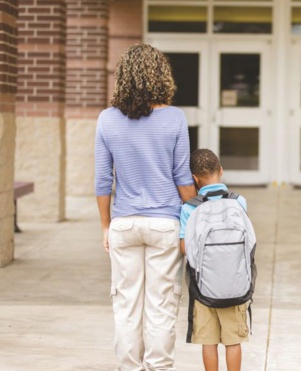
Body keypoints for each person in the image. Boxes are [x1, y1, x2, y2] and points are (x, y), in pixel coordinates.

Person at [94, 43, 197, 371]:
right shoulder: (175, 118)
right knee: (161, 307)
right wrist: (198, 212)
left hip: (124, 223)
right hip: (165, 224)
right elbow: (183, 179)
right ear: (160, 76)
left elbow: (101, 181)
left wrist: (105, 226)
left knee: (125, 307)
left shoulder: (106, 120)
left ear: (122, 76)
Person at [180, 149, 249, 371]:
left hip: (204, 288)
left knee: (209, 342)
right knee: (233, 340)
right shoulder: (239, 202)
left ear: (194, 178)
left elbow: (184, 248)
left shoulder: (190, 207)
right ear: (221, 171)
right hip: (235, 285)